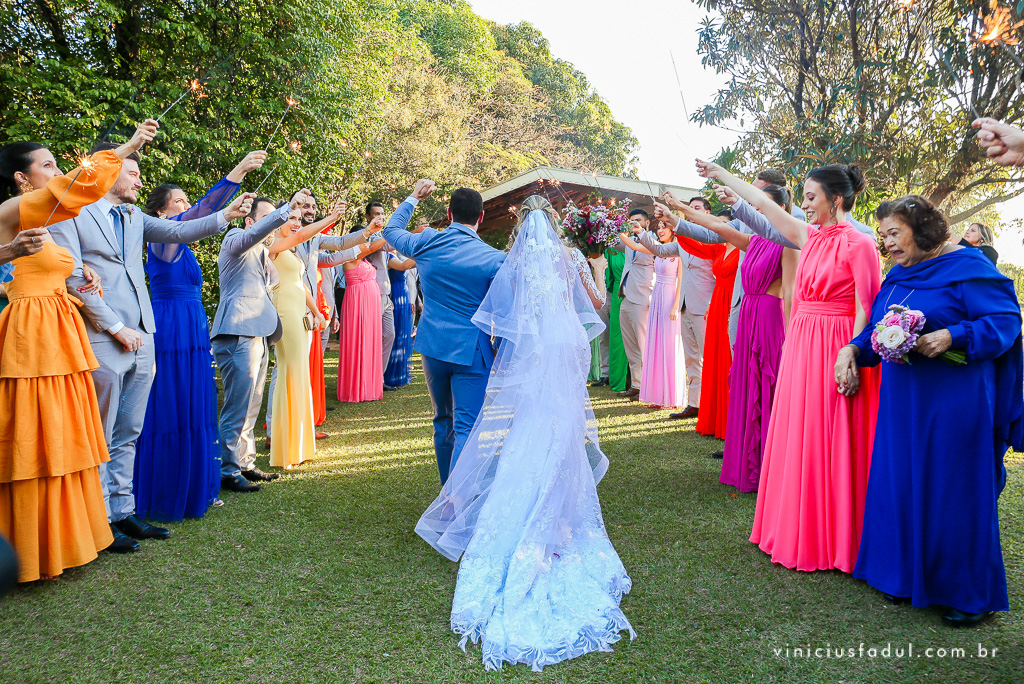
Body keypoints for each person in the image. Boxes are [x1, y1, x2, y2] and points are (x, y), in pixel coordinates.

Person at [416, 195, 633, 671]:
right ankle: (559, 516)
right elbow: (592, 309)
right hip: (563, 348)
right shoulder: (571, 256)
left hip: (533, 352)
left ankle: (522, 509)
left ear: (520, 225)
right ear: (555, 223)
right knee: (563, 432)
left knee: (528, 433)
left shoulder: (512, 264)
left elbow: (501, 319)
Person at [46, 131, 255, 553]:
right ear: (108, 170)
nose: (140, 180)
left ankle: (124, 512)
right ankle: (99, 520)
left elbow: (181, 231)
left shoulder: (136, 216)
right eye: (134, 171)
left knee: (129, 430)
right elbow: (72, 277)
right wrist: (115, 328)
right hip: (104, 334)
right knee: (102, 432)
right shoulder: (72, 212)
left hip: (146, 334)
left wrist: (226, 213)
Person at [835, 196, 1023, 627]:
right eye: (882, 236)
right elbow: (879, 326)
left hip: (955, 399)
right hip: (903, 398)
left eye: (894, 234)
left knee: (953, 490)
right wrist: (852, 347)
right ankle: (900, 576)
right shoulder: (898, 274)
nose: (887, 245)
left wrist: (953, 335)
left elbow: (1005, 322)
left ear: (923, 229)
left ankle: (970, 595)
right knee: (899, 482)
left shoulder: (970, 267)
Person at [698, 159, 882, 573]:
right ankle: (796, 525)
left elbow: (865, 306)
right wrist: (720, 174)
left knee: (828, 434)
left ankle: (835, 537)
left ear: (836, 200)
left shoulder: (861, 244)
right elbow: (763, 205)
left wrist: (850, 352)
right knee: (800, 431)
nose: (805, 205)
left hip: (834, 344)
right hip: (801, 340)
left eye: (811, 197)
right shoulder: (807, 236)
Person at [0, 125, 151, 579]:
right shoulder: (14, 207)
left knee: (67, 439)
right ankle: (30, 544)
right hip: (32, 337)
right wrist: (125, 149)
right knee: (36, 439)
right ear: (23, 179)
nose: (59, 171)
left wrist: (84, 277)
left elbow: (55, 266)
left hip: (64, 329)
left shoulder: (52, 221)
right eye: (47, 165)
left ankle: (71, 539)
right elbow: (75, 189)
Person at [132, 151, 265, 521]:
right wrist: (238, 172)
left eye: (186, 201)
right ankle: (169, 487)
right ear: (161, 213)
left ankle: (195, 483)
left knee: (193, 402)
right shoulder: (162, 240)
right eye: (179, 202)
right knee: (171, 403)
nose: (187, 206)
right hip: (171, 326)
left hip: (191, 324)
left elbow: (199, 214)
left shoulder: (182, 244)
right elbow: (203, 209)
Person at [657, 185, 797, 490]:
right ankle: (747, 460)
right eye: (756, 206)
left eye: (765, 206)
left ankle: (771, 464)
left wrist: (792, 337)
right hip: (748, 315)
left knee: (767, 388)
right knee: (746, 386)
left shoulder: (789, 243)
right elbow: (715, 227)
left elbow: (790, 293)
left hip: (771, 319)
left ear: (784, 210)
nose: (758, 211)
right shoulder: (753, 240)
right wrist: (677, 213)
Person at [381, 181, 506, 485]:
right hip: (472, 351)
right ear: (482, 216)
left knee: (442, 421)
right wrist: (502, 350)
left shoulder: (426, 242)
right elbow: (503, 313)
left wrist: (412, 197)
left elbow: (390, 230)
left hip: (433, 348)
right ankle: (456, 499)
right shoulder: (494, 258)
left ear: (449, 213)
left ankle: (446, 492)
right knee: (466, 427)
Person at [211, 194, 312, 493]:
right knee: (236, 405)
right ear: (250, 220)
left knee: (252, 403)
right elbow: (255, 235)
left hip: (260, 331)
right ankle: (228, 470)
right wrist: (285, 211)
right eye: (267, 217)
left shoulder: (264, 252)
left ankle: (246, 463)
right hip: (237, 330)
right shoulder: (235, 238)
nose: (274, 222)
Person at [264, 191, 358, 445]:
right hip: (285, 309)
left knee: (300, 371)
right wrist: (332, 216)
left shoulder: (305, 241)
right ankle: (274, 429)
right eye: (300, 208)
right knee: (282, 369)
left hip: (306, 307)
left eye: (311, 207)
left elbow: (334, 250)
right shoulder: (277, 241)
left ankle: (299, 424)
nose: (306, 211)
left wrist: (366, 234)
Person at [616, 222, 684, 408]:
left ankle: (671, 396)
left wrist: (675, 306)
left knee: (669, 346)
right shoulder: (659, 250)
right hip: (656, 298)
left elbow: (681, 280)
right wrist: (617, 231)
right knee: (656, 345)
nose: (661, 231)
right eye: (659, 227)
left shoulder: (679, 250)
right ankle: (657, 394)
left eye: (665, 227)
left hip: (670, 298)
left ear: (673, 231)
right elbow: (636, 245)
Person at [337, 222, 388, 403]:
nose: (366, 241)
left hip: (369, 303)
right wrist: (391, 232)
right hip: (358, 301)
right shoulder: (351, 255)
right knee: (358, 340)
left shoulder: (364, 258)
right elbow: (374, 246)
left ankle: (368, 385)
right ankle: (356, 387)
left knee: (369, 340)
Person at [608, 209, 655, 399]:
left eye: (638, 220)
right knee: (631, 345)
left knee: (643, 344)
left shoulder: (653, 241)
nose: (634, 223)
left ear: (647, 223)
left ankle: (649, 385)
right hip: (625, 297)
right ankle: (636, 384)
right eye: (631, 220)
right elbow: (612, 241)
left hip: (644, 297)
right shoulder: (629, 242)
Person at [384, 250, 417, 388]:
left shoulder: (397, 255)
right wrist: (423, 251)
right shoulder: (389, 256)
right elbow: (405, 266)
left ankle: (400, 373)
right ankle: (389, 375)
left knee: (404, 335)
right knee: (396, 334)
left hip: (404, 295)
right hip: (395, 295)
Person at [603, 247, 630, 391]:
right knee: (617, 337)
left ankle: (633, 379)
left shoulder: (612, 250)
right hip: (618, 293)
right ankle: (620, 377)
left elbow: (610, 278)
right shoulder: (610, 249)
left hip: (628, 291)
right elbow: (609, 276)